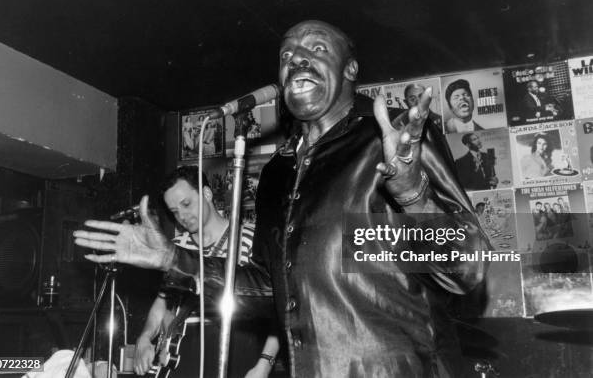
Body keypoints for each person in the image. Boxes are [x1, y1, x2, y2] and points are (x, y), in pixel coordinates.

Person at [75, 20, 488, 377]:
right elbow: (268, 289)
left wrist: (412, 193)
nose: (298, 59)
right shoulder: (276, 173)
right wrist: (172, 259)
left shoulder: (393, 137)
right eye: (287, 54)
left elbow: (470, 268)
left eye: (318, 48)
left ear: (351, 69)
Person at [131, 166, 277, 377]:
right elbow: (163, 301)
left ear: (207, 194)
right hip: (185, 352)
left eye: (186, 204)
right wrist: (144, 338)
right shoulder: (177, 246)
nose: (182, 215)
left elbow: (279, 310)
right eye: (174, 212)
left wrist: (265, 363)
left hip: (238, 347)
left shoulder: (250, 239)